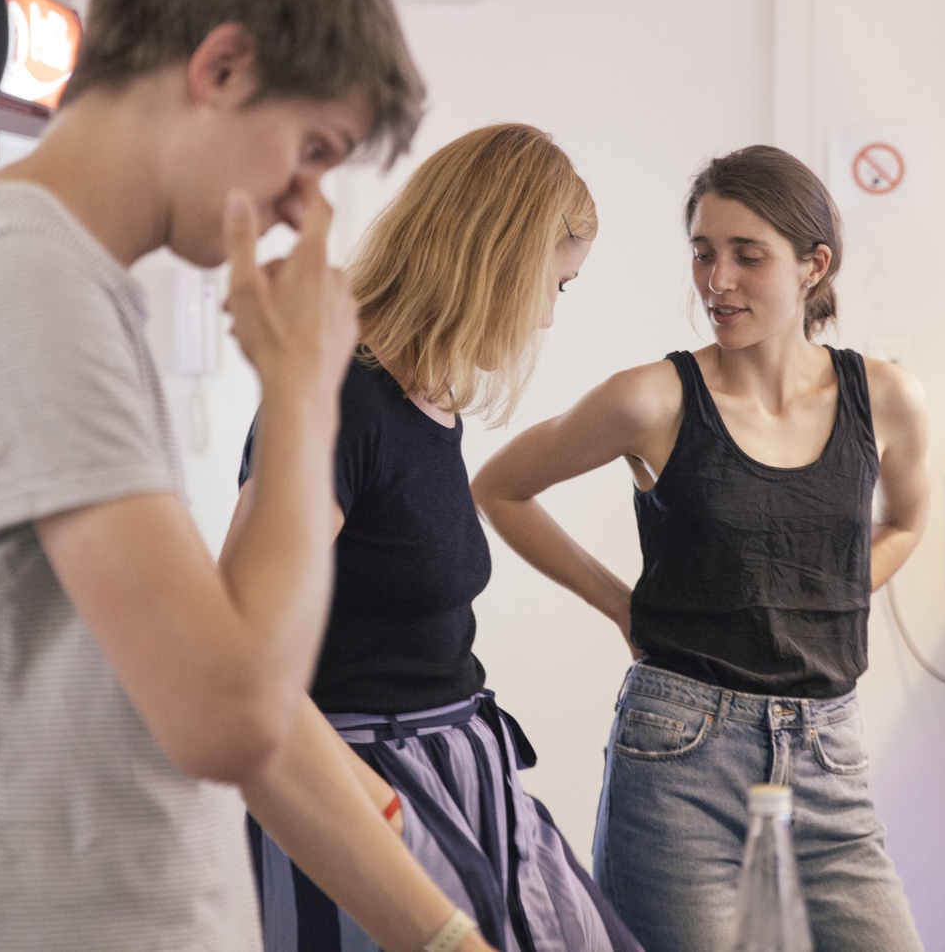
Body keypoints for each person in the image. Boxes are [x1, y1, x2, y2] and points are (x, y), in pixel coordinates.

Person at [0, 0, 494, 952]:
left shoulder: (59, 281)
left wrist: (446, 937)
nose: (303, 207)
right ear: (221, 67)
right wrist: (302, 392)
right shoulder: (22, 284)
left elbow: (233, 689)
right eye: (310, 150)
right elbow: (233, 717)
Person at [471, 145, 931, 952]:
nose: (717, 281)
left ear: (814, 266)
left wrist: (829, 590)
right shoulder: (652, 398)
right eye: (703, 252)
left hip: (830, 757)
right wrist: (623, 607)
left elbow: (905, 522)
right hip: (679, 755)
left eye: (748, 256)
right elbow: (500, 487)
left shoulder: (885, 396)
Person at [230, 123, 643, 952]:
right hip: (364, 784)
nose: (545, 318)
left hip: (458, 763)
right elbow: (242, 651)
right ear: (499, 266)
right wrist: (377, 807)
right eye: (555, 287)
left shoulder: (431, 403)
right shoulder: (342, 402)